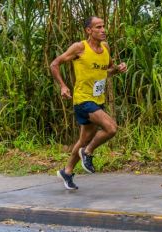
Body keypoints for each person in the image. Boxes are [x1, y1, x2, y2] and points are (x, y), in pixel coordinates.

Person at [50, 16, 127, 190]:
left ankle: (67, 171)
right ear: (88, 31)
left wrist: (118, 69)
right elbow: (54, 64)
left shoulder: (105, 47)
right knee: (111, 128)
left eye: (104, 26)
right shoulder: (80, 48)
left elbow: (108, 71)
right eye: (98, 27)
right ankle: (88, 152)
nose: (103, 30)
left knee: (83, 140)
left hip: (98, 100)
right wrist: (63, 86)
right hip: (83, 100)